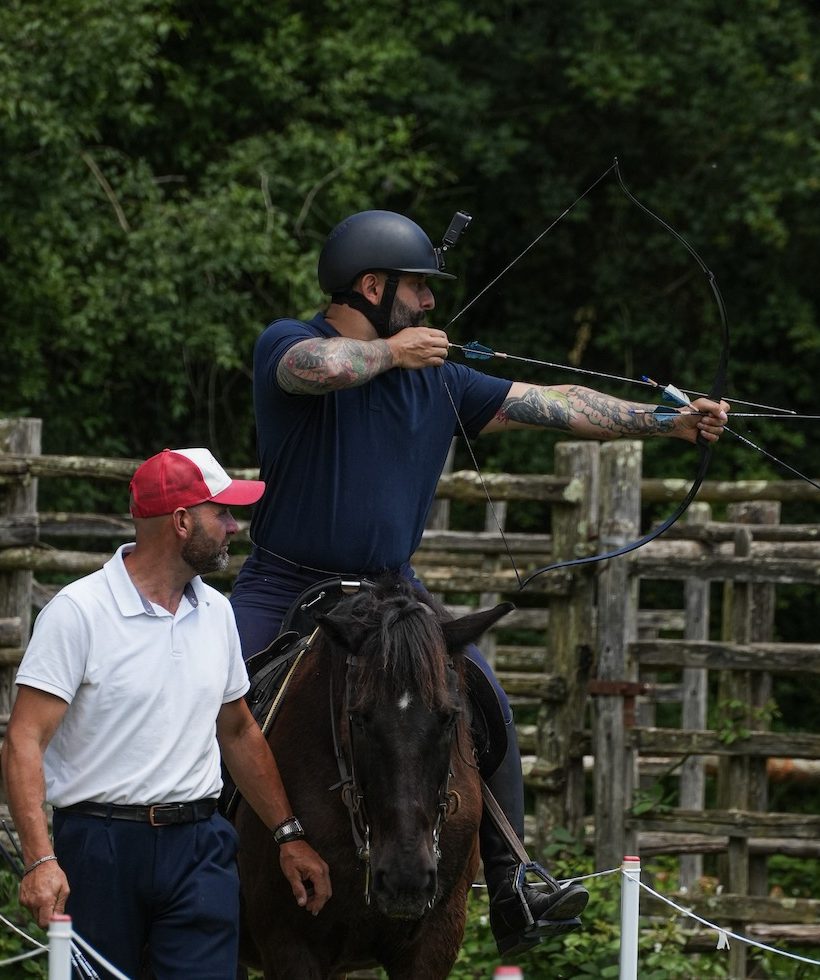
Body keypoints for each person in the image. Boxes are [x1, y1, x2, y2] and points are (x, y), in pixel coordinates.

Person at [229, 209, 730, 957]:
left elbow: (556, 402)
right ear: (371, 287)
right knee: (203, 696)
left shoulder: (443, 383)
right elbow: (318, 368)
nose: (430, 303)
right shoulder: (289, 342)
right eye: (417, 288)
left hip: (391, 594)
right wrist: (391, 352)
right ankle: (196, 869)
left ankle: (512, 878)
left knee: (483, 701)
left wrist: (666, 423)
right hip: (283, 585)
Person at [2, 447, 331, 979]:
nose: (233, 526)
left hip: (199, 846)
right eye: (221, 513)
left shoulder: (217, 612)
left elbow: (238, 731)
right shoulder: (78, 612)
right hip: (100, 848)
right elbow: (24, 739)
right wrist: (42, 859)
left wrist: (287, 834)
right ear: (181, 522)